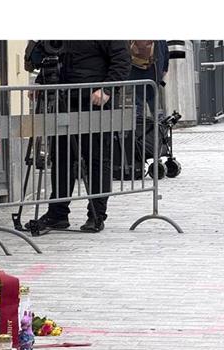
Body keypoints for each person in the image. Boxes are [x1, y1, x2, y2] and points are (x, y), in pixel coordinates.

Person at [25, 41, 130, 233]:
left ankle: (96, 214)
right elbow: (53, 56)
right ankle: (57, 213)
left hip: (95, 101)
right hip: (64, 99)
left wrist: (107, 90)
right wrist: (41, 83)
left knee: (96, 159)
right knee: (61, 158)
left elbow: (122, 61)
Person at [128, 40, 169, 121]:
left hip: (135, 72)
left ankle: (138, 130)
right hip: (154, 71)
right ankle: (159, 130)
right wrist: (164, 69)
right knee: (155, 104)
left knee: (138, 105)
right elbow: (165, 53)